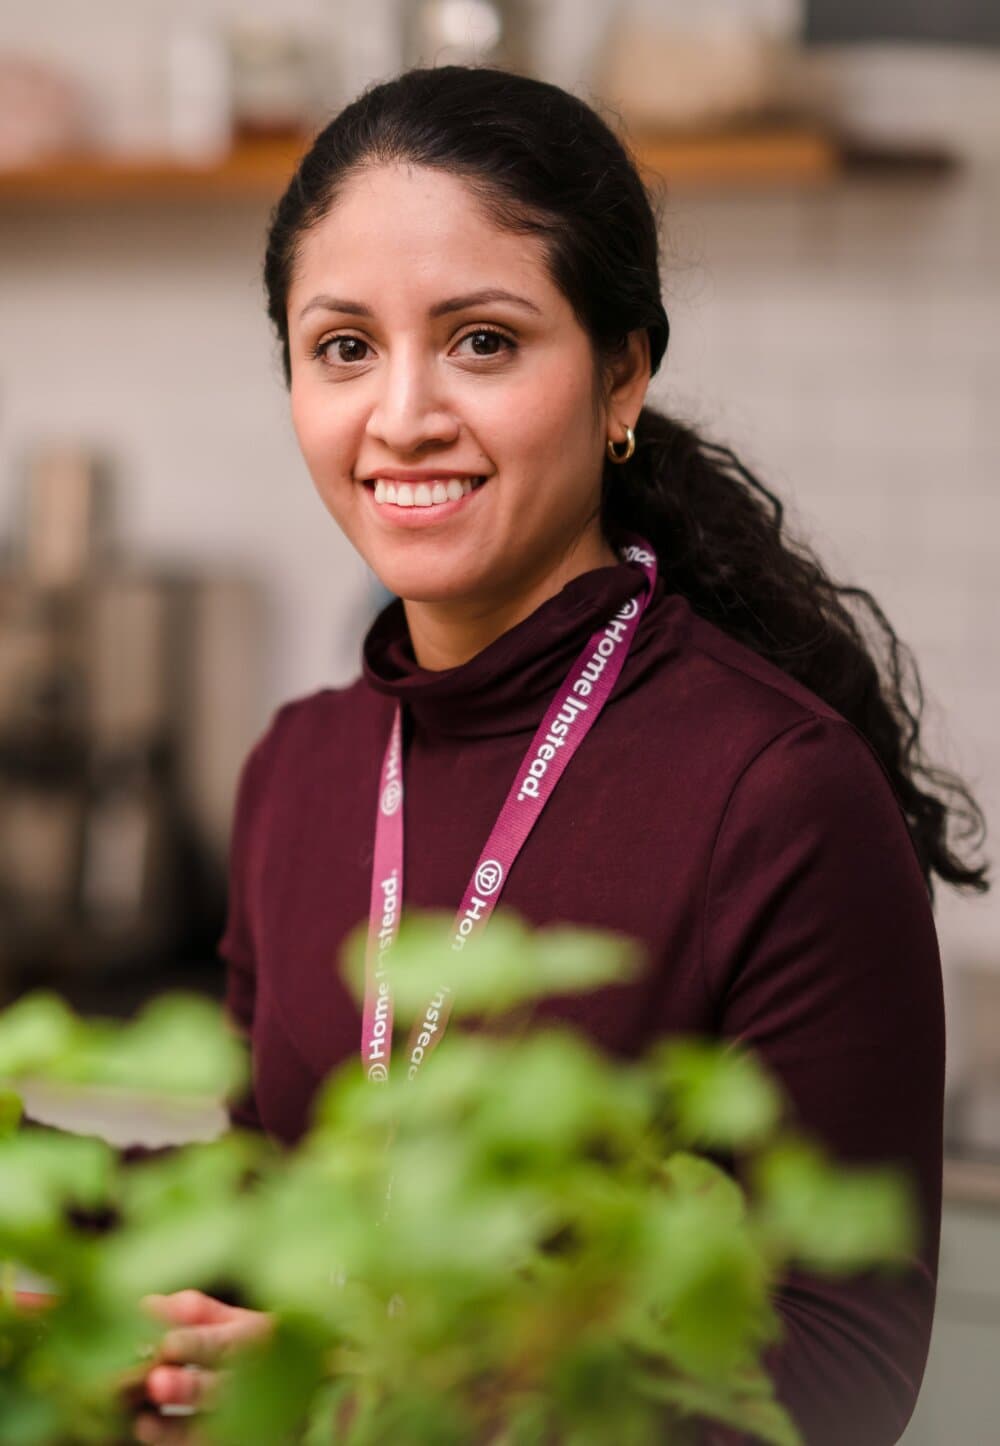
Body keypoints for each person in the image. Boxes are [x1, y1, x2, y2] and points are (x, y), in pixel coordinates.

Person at [136, 65, 990, 1446]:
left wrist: (380, 1407)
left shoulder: (780, 793)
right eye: (343, 346)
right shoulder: (296, 768)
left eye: (482, 340)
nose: (403, 413)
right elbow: (272, 1199)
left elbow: (839, 1372)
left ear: (622, 375)